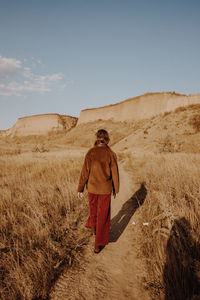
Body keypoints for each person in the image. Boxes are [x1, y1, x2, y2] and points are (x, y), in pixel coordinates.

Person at [77, 129, 119, 253]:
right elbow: (115, 173)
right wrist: (116, 189)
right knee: (103, 216)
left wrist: (80, 188)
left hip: (92, 188)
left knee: (93, 210)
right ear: (107, 139)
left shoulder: (90, 152)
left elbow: (85, 172)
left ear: (97, 138)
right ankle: (98, 244)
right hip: (105, 189)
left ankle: (93, 230)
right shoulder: (111, 153)